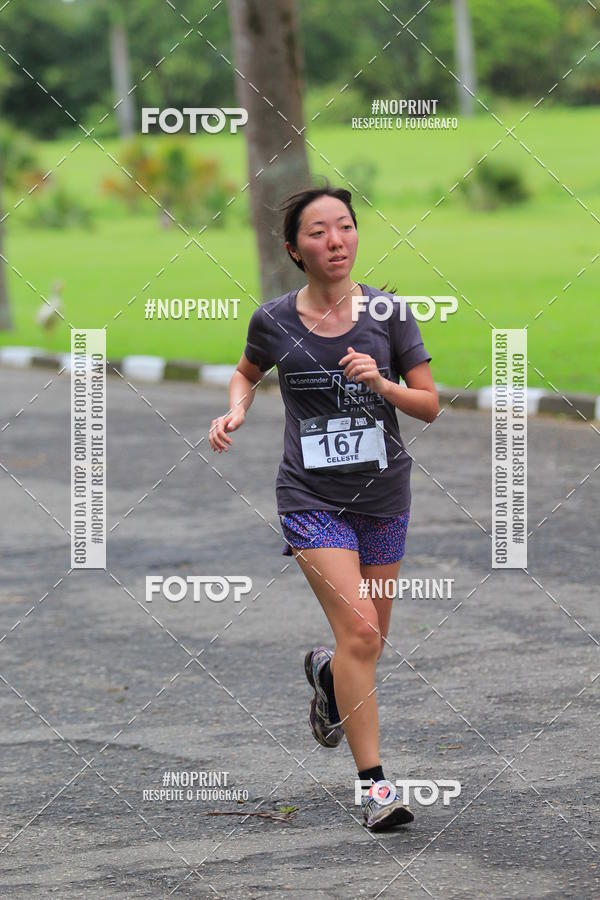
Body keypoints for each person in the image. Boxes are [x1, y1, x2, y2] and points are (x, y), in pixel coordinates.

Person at [208, 183, 439, 831]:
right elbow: (246, 371)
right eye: (318, 231)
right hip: (310, 499)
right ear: (294, 250)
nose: (335, 240)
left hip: (383, 496)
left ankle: (325, 675)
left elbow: (429, 404)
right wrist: (236, 407)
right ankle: (374, 793)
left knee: (365, 645)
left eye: (344, 226)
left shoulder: (390, 315)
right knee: (360, 633)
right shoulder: (274, 319)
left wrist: (381, 382)